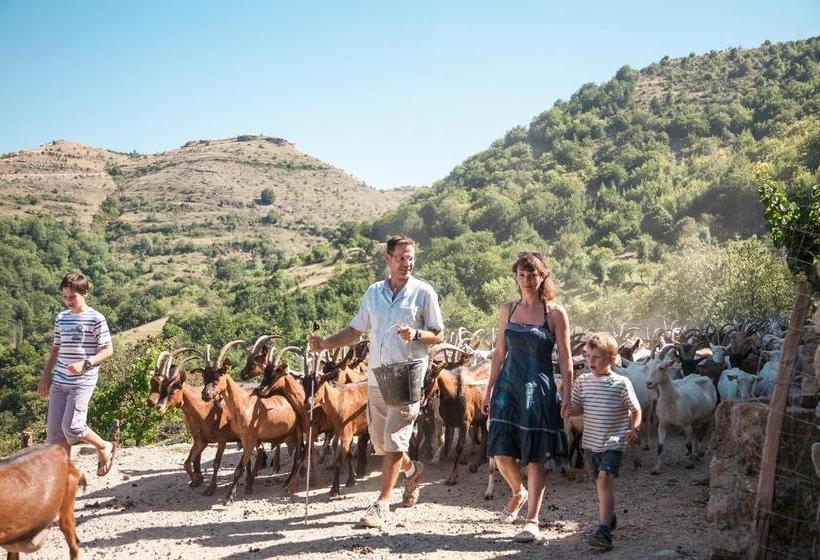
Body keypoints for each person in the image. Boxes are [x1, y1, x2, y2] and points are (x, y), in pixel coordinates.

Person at [309, 235, 444, 529]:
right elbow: (355, 331)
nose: (406, 263)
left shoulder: (424, 292)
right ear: (388, 258)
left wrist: (417, 335)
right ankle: (412, 469)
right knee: (383, 444)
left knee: (395, 440)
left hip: (407, 374)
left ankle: (381, 504)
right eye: (400, 258)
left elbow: (438, 334)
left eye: (410, 258)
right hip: (377, 375)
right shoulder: (373, 292)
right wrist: (325, 344)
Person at [481, 252, 572, 543]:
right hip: (508, 387)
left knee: (535, 455)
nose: (527, 280)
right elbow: (499, 352)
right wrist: (488, 388)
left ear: (543, 276)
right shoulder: (507, 309)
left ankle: (532, 520)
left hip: (539, 389)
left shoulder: (555, 314)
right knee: (500, 451)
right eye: (521, 275)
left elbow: (567, 361)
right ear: (516, 277)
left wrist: (567, 396)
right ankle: (518, 491)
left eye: (532, 275)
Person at [564, 332, 642, 551]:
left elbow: (636, 409)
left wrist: (634, 428)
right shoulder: (582, 382)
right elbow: (578, 407)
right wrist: (568, 410)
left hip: (613, 443)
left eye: (596, 357)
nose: (590, 361)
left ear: (611, 359)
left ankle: (603, 533)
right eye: (588, 356)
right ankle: (609, 517)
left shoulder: (621, 383)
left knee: (604, 480)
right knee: (598, 484)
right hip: (590, 444)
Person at [37, 272, 116, 476]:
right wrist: (46, 376)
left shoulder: (96, 318)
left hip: (83, 381)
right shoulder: (61, 318)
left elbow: (108, 350)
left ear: (85, 293)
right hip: (60, 381)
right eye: (64, 297)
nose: (68, 301)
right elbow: (56, 349)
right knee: (54, 433)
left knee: (73, 427)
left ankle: (104, 446)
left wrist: (86, 363)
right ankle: (64, 476)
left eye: (72, 297)